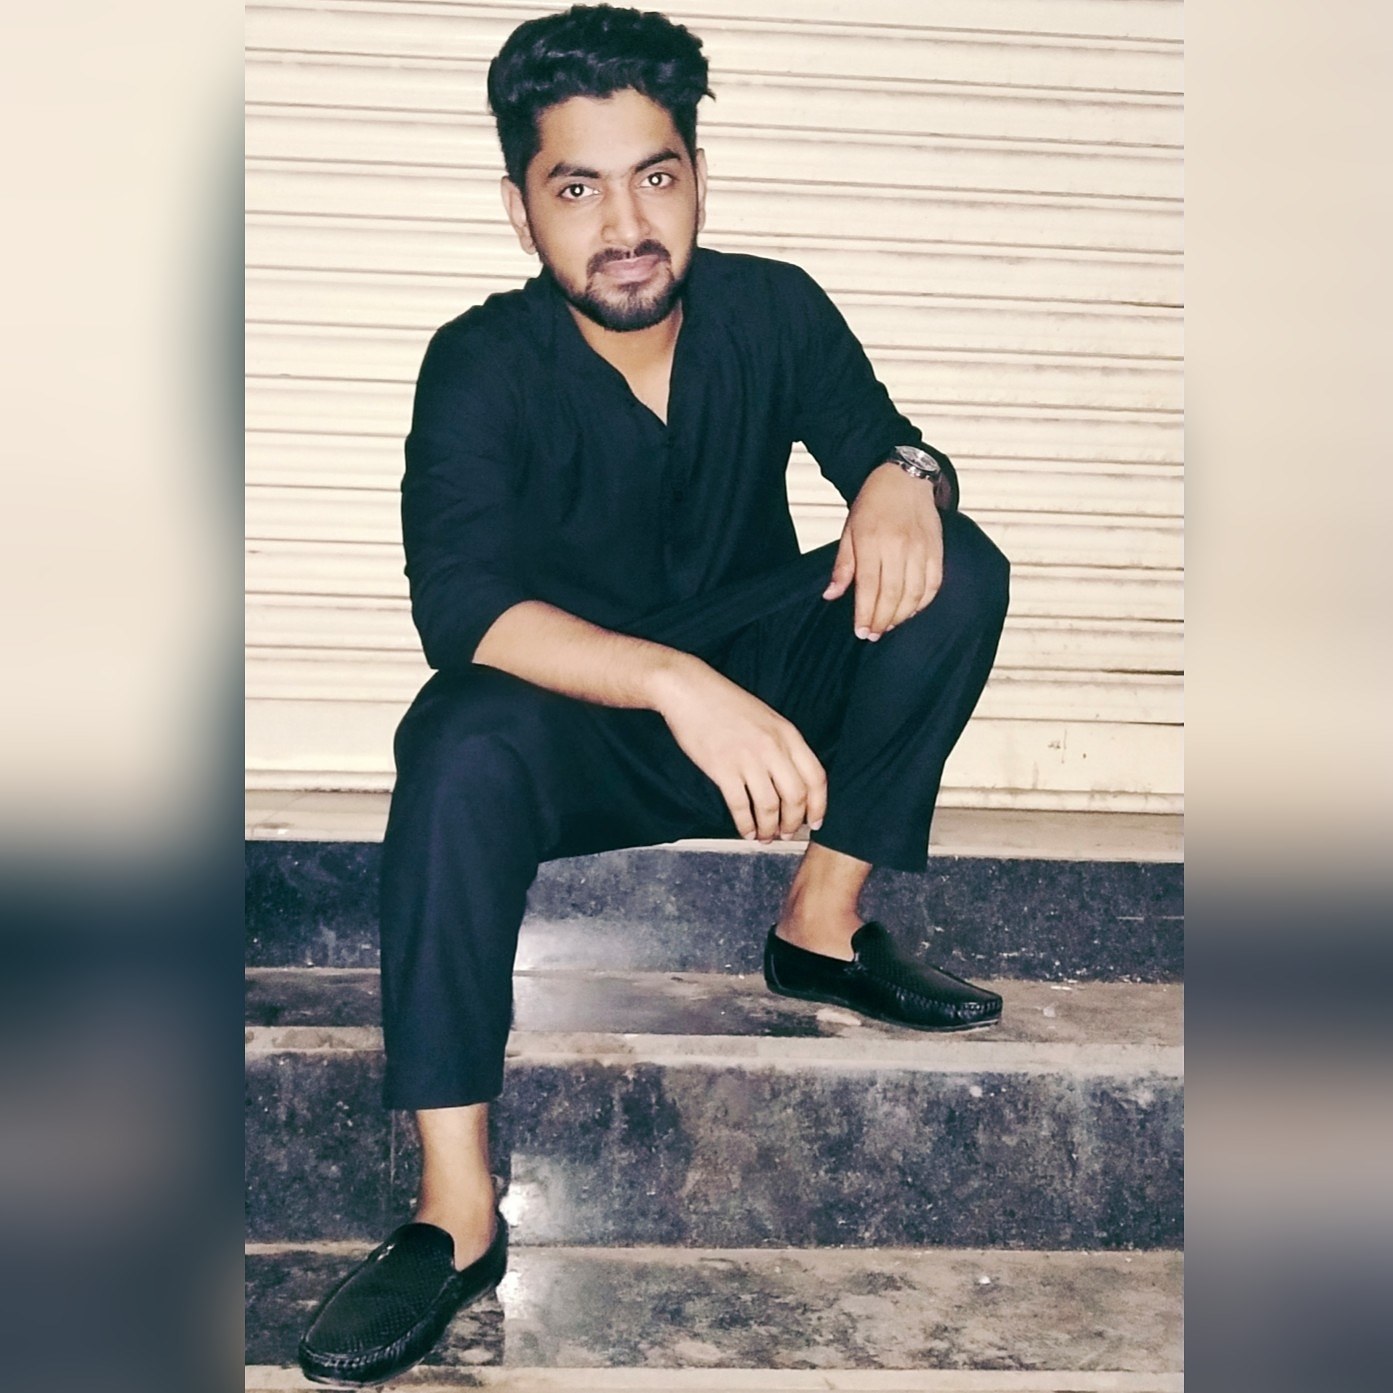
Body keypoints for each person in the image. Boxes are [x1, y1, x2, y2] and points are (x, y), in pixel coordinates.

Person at [297, 5, 1010, 1384]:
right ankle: (455, 1213)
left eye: (656, 176)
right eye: (578, 188)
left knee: (955, 565)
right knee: (455, 735)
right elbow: (463, 610)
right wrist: (673, 682)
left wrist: (902, 475)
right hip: (587, 732)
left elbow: (888, 443)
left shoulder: (774, 308)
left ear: (696, 180)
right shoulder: (479, 363)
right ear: (521, 210)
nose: (627, 226)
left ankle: (819, 924)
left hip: (764, 701)